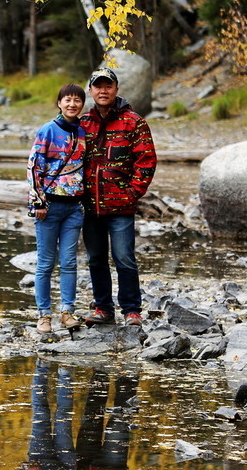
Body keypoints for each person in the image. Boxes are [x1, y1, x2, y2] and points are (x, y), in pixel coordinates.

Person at [79, 68, 157, 328]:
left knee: (124, 257)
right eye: (98, 86)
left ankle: (132, 310)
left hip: (121, 207)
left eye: (108, 86)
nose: (103, 90)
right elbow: (69, 161)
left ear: (116, 89)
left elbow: (146, 161)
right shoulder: (83, 124)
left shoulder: (133, 121)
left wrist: (132, 193)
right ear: (90, 91)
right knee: (96, 258)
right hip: (90, 207)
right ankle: (103, 308)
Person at [27, 84, 88, 333]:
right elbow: (34, 167)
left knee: (70, 262)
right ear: (59, 103)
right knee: (45, 264)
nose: (72, 104)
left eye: (77, 100)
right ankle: (44, 316)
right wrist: (38, 203)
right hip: (49, 207)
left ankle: (67, 312)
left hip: (74, 207)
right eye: (67, 100)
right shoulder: (48, 131)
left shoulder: (83, 132)